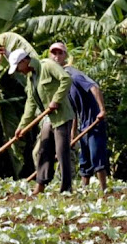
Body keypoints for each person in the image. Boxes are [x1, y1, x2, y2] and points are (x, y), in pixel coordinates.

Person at [0, 47, 74, 194]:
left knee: (61, 152)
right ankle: (40, 184)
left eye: (18, 67)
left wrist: (56, 100)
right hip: (48, 118)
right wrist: (22, 126)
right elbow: (31, 103)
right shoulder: (30, 77)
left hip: (62, 116)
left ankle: (66, 189)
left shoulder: (47, 65)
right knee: (43, 149)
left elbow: (66, 79)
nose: (18, 71)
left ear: (25, 61)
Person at [49, 42, 108, 191]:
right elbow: (73, 111)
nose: (56, 57)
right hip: (83, 124)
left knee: (96, 156)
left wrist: (101, 110)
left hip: (94, 120)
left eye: (60, 53)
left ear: (65, 56)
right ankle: (84, 189)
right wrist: (72, 134)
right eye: (54, 53)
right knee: (85, 159)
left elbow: (94, 87)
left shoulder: (73, 74)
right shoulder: (62, 81)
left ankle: (104, 189)